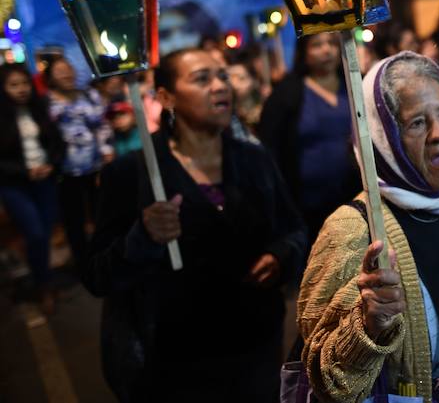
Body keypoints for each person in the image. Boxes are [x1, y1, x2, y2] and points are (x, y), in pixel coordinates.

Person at [83, 48, 308, 402]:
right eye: (202, 79)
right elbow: (97, 275)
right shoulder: (131, 174)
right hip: (172, 363)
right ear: (165, 97)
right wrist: (142, 238)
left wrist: (280, 255)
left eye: (222, 76)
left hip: (255, 347)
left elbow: (294, 228)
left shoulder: (254, 159)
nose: (220, 86)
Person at [297, 52, 439, 403]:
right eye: (417, 123)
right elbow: (324, 378)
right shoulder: (353, 229)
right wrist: (369, 325)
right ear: (384, 137)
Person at [258, 33, 361, 239]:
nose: (326, 50)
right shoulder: (287, 93)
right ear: (303, 53)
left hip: (354, 196)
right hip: (306, 204)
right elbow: (270, 147)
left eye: (332, 43)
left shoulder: (356, 85)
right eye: (317, 45)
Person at [0, 64, 64, 315]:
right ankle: (44, 286)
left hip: (44, 181)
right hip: (15, 186)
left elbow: (57, 143)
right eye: (13, 85)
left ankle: (42, 275)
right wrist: (24, 172)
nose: (21, 89)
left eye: (24, 83)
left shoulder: (40, 110)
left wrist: (51, 164)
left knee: (45, 233)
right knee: (35, 233)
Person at [44, 57, 114, 269]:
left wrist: (107, 150)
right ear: (50, 77)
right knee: (73, 220)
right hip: (64, 170)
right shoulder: (45, 102)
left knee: (101, 212)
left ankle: (104, 255)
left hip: (95, 165)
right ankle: (82, 262)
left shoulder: (89, 95)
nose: (66, 74)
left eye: (68, 69)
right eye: (60, 71)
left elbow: (102, 125)